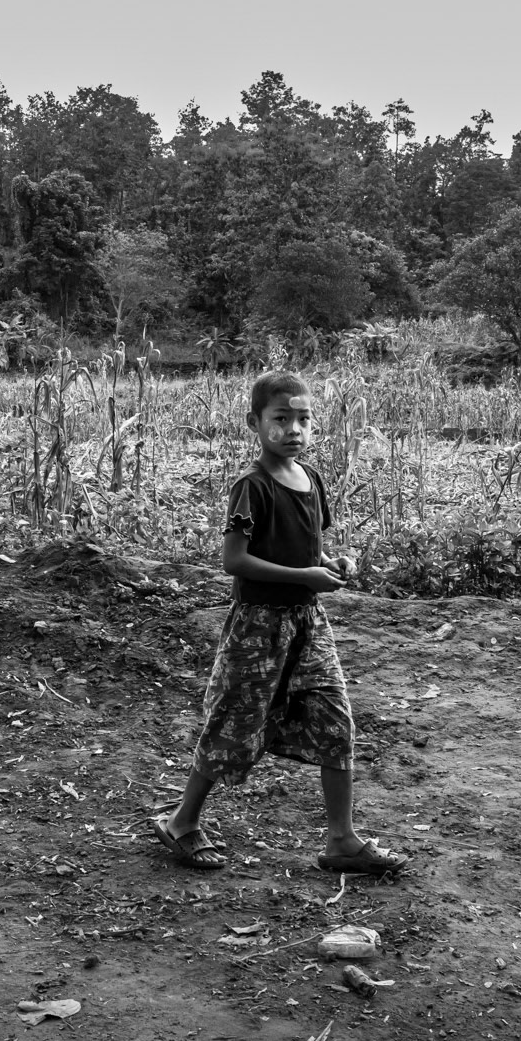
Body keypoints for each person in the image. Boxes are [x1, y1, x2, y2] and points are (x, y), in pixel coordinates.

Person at [150, 371, 407, 875]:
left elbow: (309, 548)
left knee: (336, 722)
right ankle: (181, 821)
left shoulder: (310, 480)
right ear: (255, 423)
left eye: (304, 419)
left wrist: (330, 564)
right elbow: (235, 562)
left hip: (307, 622)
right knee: (235, 722)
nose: (294, 429)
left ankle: (342, 841)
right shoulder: (252, 487)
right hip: (257, 629)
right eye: (281, 418)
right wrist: (303, 575)